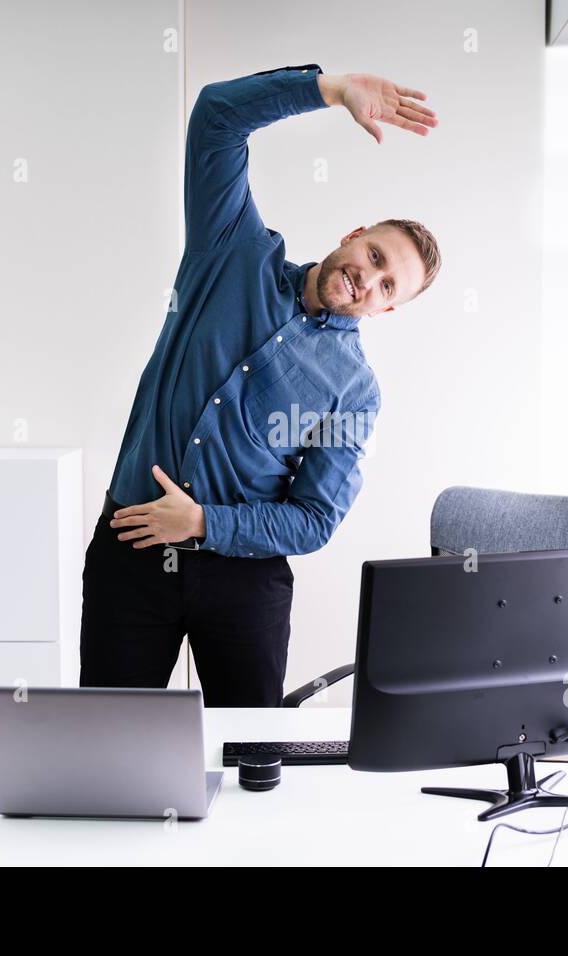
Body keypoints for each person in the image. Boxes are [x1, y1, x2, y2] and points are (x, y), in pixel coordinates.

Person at [80, 64, 441, 706]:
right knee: (109, 748)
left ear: (388, 311)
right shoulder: (232, 252)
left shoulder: (354, 391)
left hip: (242, 582)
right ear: (353, 236)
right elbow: (217, 118)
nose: (369, 280)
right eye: (376, 258)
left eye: (389, 288)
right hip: (131, 552)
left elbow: (313, 518)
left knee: (252, 767)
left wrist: (202, 523)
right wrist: (329, 91)